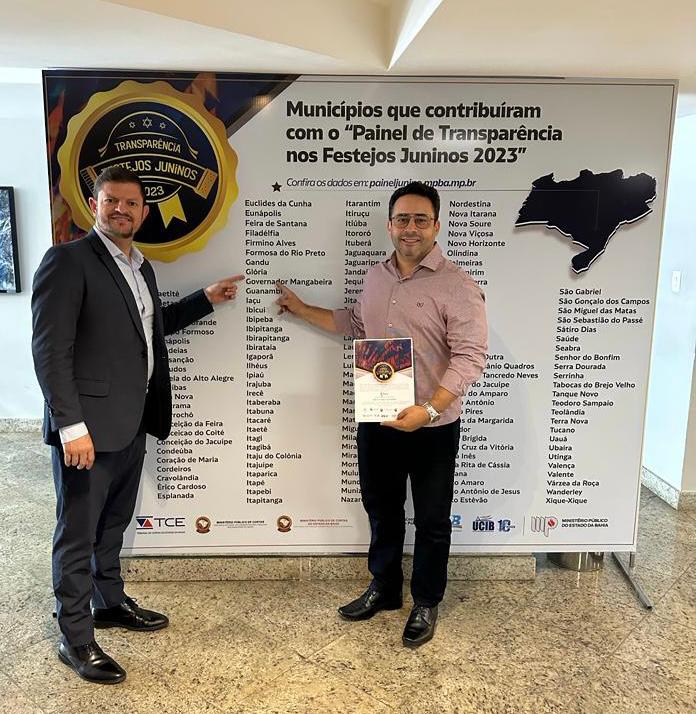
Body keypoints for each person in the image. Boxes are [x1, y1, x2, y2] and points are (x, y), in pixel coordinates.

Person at [31, 166, 243, 684]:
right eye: (111, 201)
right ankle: (75, 637)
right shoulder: (68, 260)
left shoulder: (140, 266)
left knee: (113, 523)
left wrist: (205, 300)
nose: (121, 210)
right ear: (94, 205)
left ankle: (107, 601)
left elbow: (150, 329)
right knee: (77, 533)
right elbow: (49, 351)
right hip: (87, 430)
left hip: (133, 420)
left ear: (144, 212)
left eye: (131, 203)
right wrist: (70, 426)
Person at [276, 181, 487, 647]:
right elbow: (355, 323)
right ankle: (385, 588)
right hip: (378, 419)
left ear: (436, 225)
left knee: (432, 520)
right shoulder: (376, 276)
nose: (411, 228)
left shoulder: (458, 285)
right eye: (402, 219)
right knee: (381, 508)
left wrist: (428, 409)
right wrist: (301, 309)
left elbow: (471, 357)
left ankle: (426, 601)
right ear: (390, 225)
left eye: (420, 219)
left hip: (432, 425)